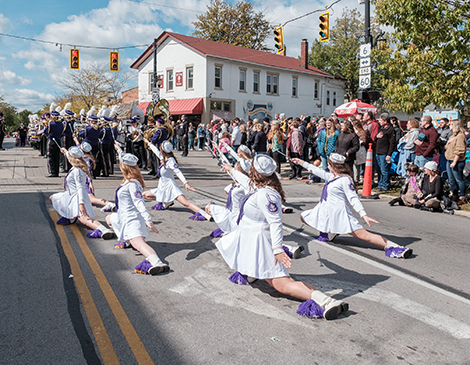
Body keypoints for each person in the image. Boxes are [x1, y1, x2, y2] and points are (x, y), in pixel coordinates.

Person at [216, 154, 348, 320]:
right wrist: (230, 170)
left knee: (283, 284)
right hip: (252, 241)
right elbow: (245, 181)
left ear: (255, 173)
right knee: (277, 279)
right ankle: (253, 273)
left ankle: (327, 302)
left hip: (261, 243)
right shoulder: (259, 188)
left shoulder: (266, 195)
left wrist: (278, 249)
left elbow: (275, 223)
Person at [291, 153, 412, 259]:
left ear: (334, 166)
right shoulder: (333, 177)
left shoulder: (345, 179)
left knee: (363, 235)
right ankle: (330, 232)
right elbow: (316, 170)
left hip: (339, 213)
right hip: (325, 211)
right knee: (304, 217)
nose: (327, 167)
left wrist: (363, 214)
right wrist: (300, 161)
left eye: (329, 165)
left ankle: (395, 247)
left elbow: (353, 198)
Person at [106, 145, 169, 275]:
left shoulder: (133, 184)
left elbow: (139, 202)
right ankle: (127, 240)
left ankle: (157, 262)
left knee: (139, 244)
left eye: (121, 164)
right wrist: (118, 148)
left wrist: (148, 220)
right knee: (109, 219)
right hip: (122, 217)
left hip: (132, 218)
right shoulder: (129, 180)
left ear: (124, 167)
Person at [50, 146, 115, 239]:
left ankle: (104, 230)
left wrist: (81, 204)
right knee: (53, 198)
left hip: (77, 198)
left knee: (85, 219)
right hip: (69, 196)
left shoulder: (77, 171)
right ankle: (71, 218)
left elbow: (80, 188)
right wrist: (65, 151)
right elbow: (69, 155)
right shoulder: (75, 167)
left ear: (72, 160)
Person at [143, 139, 212, 220]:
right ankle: (167, 201)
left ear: (163, 150)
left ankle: (204, 214)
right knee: (145, 195)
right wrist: (148, 143)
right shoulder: (163, 158)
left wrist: (186, 183)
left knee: (185, 203)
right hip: (163, 187)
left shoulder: (170, 161)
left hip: (171, 187)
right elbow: (156, 151)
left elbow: (178, 172)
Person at [445, 119, 467, 205]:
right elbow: (447, 147)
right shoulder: (453, 136)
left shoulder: (460, 136)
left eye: (451, 125)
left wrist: (454, 162)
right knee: (451, 180)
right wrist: (448, 142)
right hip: (449, 159)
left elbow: (459, 150)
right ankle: (454, 195)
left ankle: (462, 196)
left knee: (458, 179)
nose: (449, 126)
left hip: (457, 161)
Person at [374, 113, 395, 192]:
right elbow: (375, 137)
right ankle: (380, 184)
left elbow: (392, 143)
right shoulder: (381, 128)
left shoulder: (390, 130)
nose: (379, 121)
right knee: (378, 169)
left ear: (386, 121)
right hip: (378, 151)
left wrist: (389, 154)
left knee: (384, 170)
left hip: (384, 152)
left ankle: (385, 185)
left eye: (381, 120)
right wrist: (377, 137)